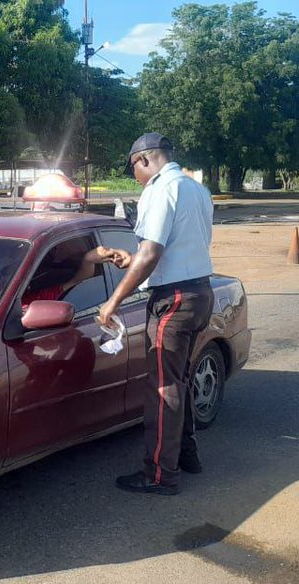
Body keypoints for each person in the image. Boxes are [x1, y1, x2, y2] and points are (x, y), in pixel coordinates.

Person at [97, 132, 215, 496]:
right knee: (178, 381)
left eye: (133, 168)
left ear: (144, 160)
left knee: (163, 389)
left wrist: (113, 301)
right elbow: (173, 250)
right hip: (199, 293)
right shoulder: (196, 189)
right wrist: (132, 260)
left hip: (173, 302)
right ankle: (186, 456)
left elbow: (151, 254)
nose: (134, 176)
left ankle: (160, 474)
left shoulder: (160, 189)